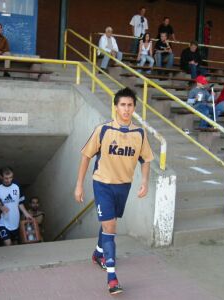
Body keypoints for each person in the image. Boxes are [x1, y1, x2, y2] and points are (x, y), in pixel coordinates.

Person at [74, 87, 154, 295]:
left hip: (124, 186)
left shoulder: (139, 133)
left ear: (134, 108)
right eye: (122, 105)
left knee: (110, 223)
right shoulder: (104, 130)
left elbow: (145, 159)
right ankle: (112, 277)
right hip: (102, 184)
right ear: (116, 107)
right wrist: (79, 184)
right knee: (110, 226)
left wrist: (144, 180)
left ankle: (98, 253)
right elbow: (86, 156)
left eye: (129, 105)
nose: (126, 109)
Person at [0, 167, 33, 246]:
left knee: (15, 244)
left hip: (15, 221)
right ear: (1, 177)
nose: (9, 180)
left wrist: (26, 214)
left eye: (10, 178)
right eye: (6, 178)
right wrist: (0, 207)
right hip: (2, 222)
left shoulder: (16, 185)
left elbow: (20, 202)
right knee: (8, 244)